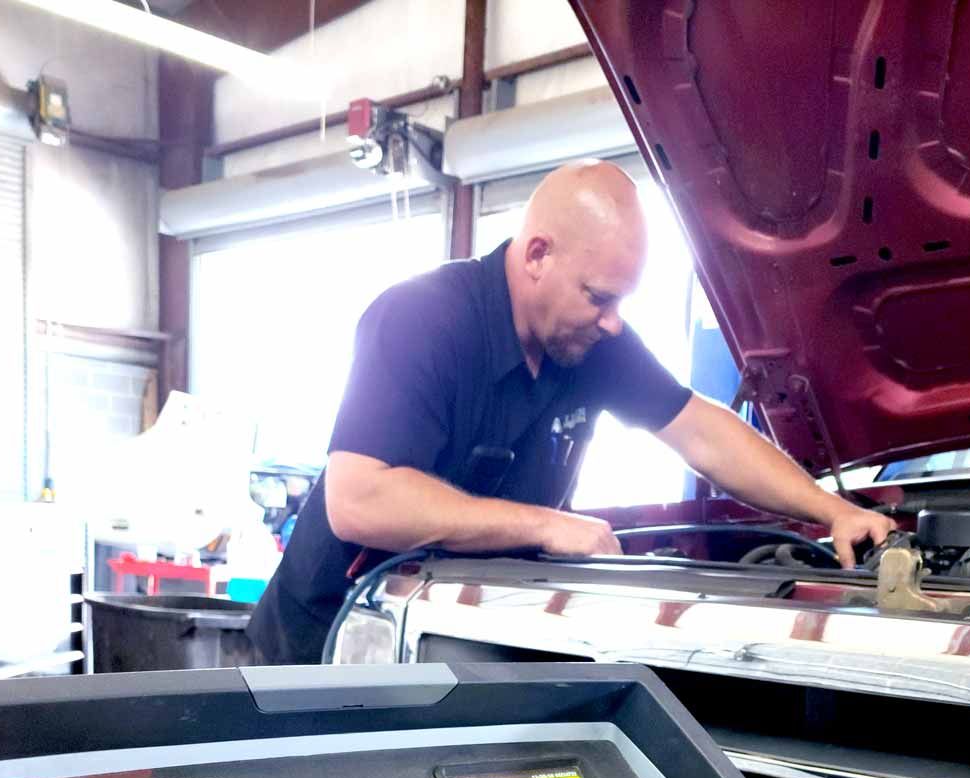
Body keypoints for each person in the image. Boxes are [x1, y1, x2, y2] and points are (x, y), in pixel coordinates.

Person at [246, 159, 893, 664]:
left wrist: (832, 510)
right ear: (536, 255)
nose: (613, 322)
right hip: (333, 640)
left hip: (463, 632)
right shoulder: (421, 319)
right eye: (599, 296)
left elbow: (699, 429)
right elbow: (361, 501)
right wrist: (546, 525)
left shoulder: (591, 339)